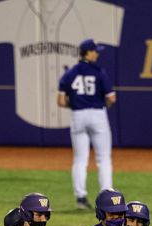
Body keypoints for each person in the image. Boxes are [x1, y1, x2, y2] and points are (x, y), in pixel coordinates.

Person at [57, 39, 116, 210]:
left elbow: (61, 101)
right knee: (103, 158)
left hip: (78, 115)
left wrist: (75, 105)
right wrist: (105, 104)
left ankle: (81, 198)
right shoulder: (99, 72)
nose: (97, 53)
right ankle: (108, 198)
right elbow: (111, 98)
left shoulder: (70, 74)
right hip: (98, 114)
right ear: (88, 53)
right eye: (95, 51)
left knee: (80, 159)